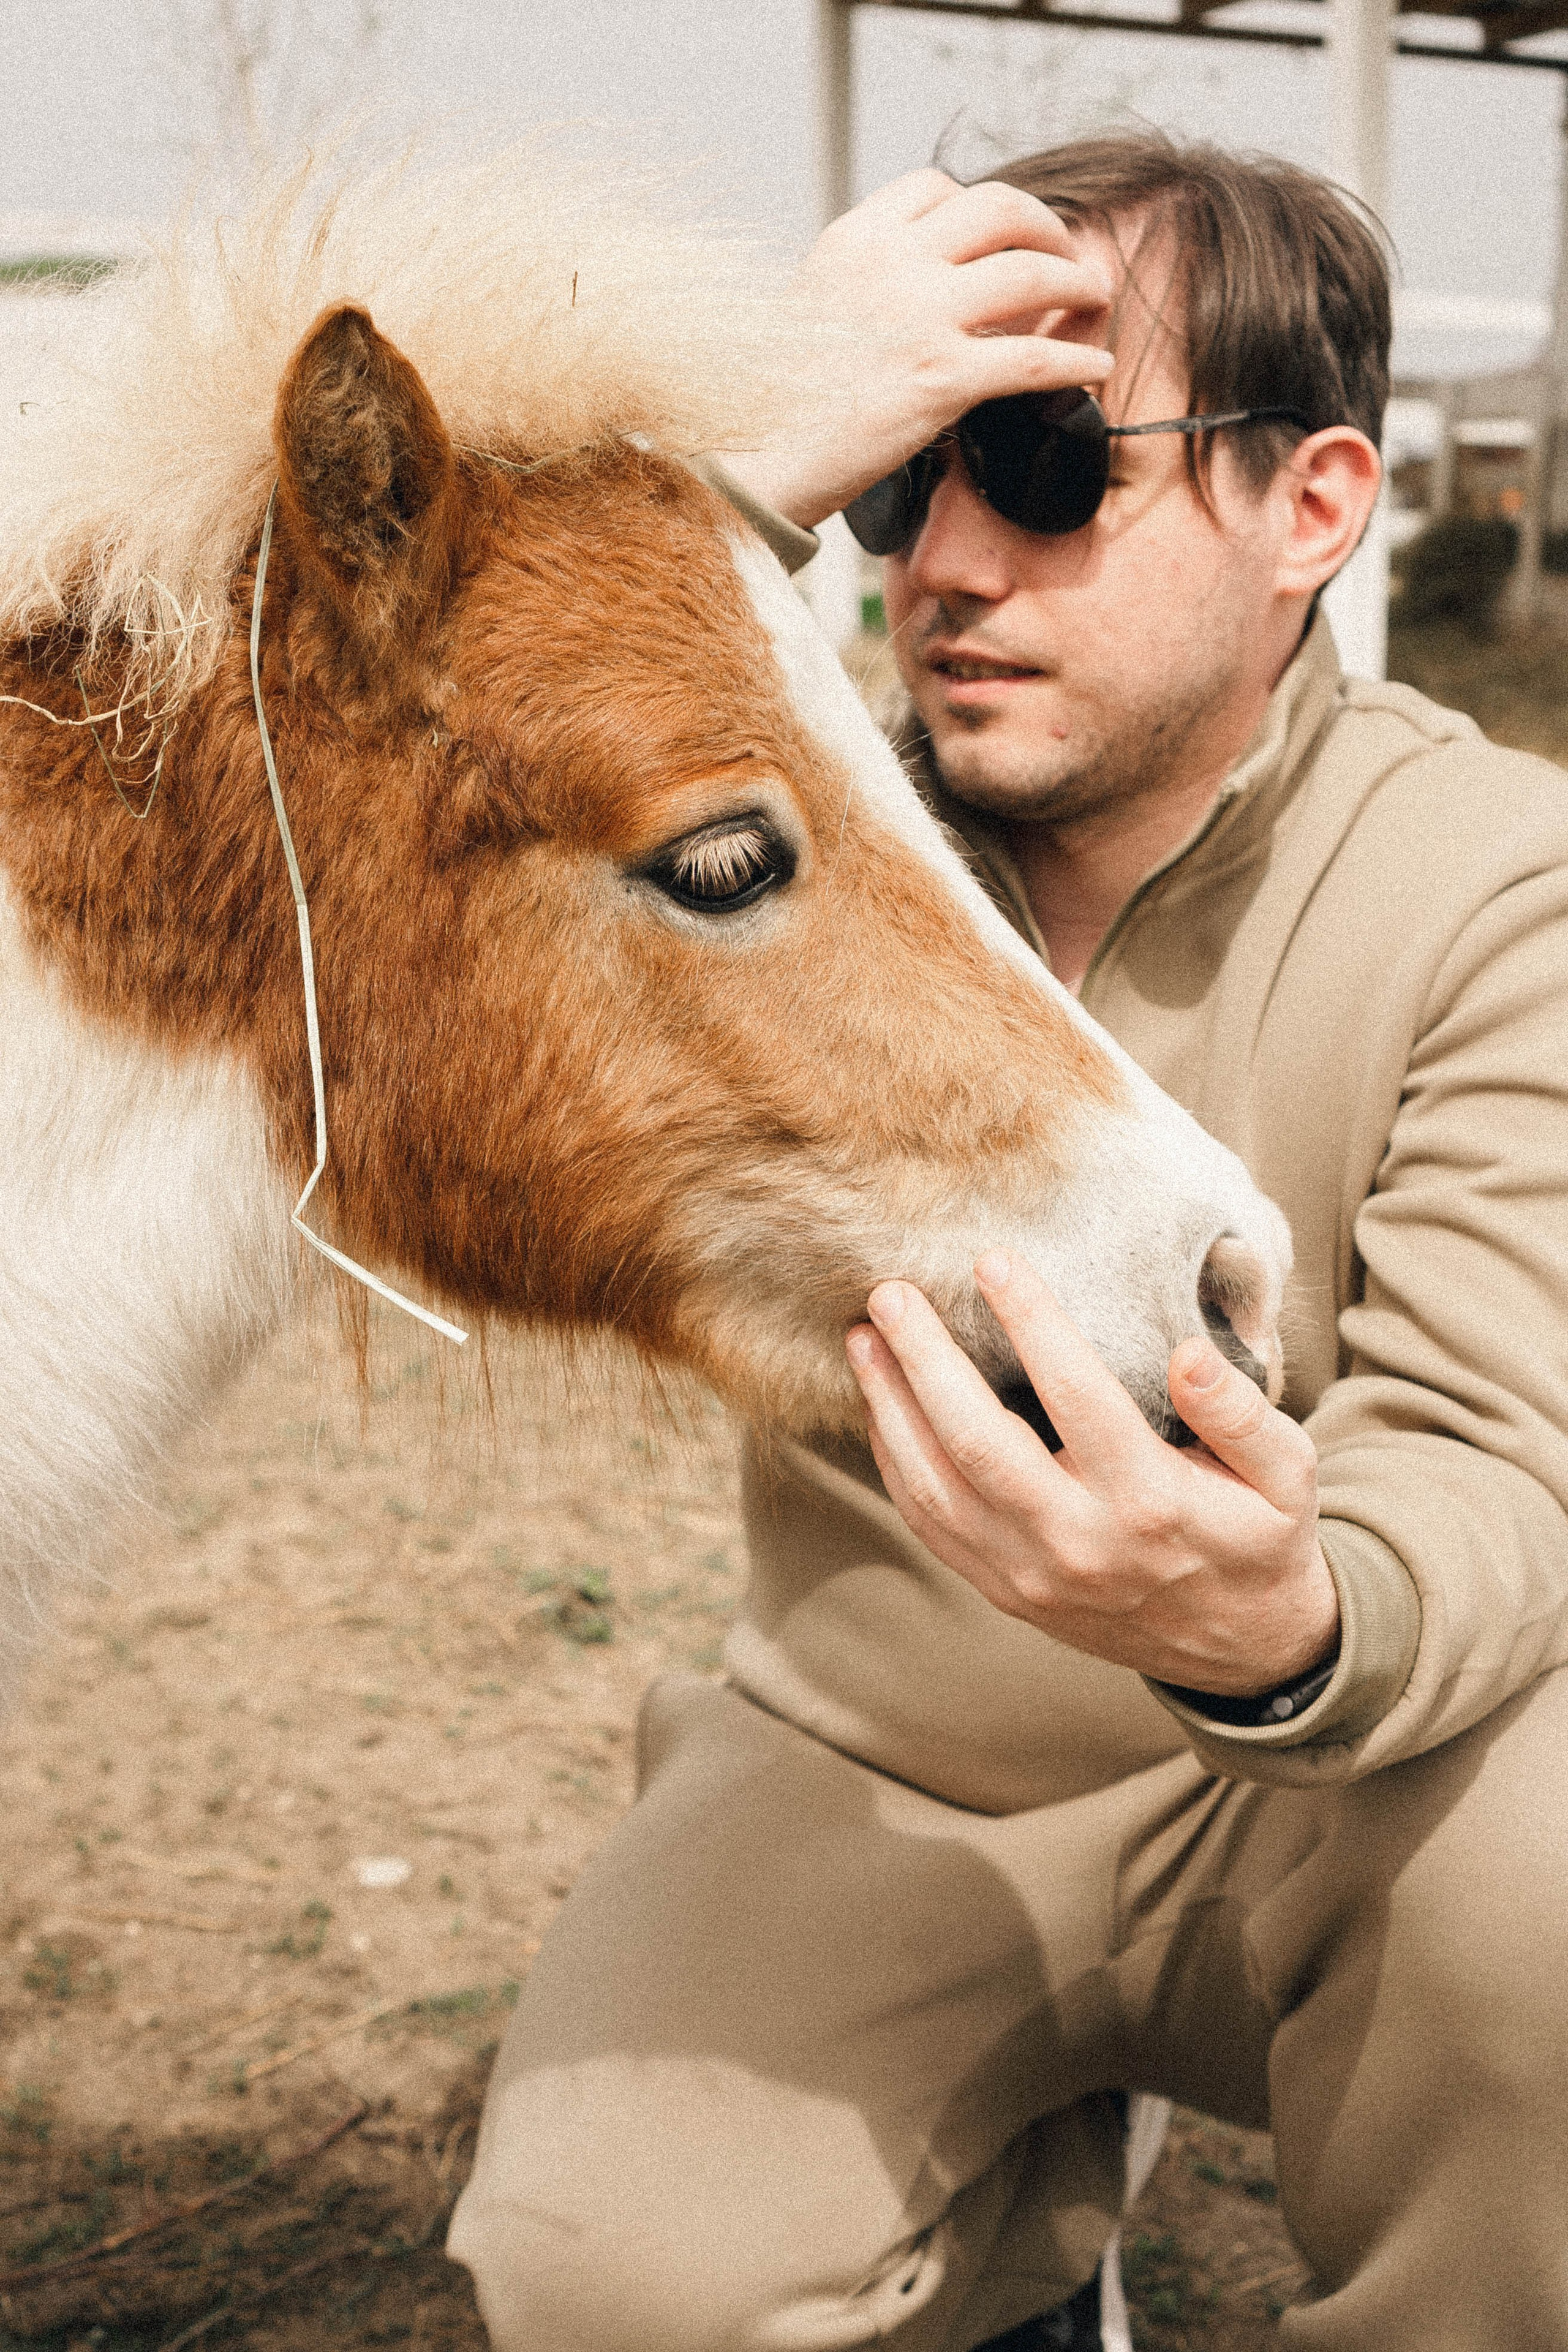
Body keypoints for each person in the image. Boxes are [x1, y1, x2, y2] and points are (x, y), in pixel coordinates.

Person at [448, 134, 1568, 2351]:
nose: (946, 561)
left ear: (1318, 509)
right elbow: (415, 769)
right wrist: (739, 481)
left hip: (1345, 1785)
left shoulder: (1506, 878)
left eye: (1048, 463)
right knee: (603, 2288)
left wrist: (1281, 1616)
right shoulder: (756, 849)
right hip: (877, 1768)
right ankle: (1024, 2277)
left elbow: (1499, 1460)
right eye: (899, 480)